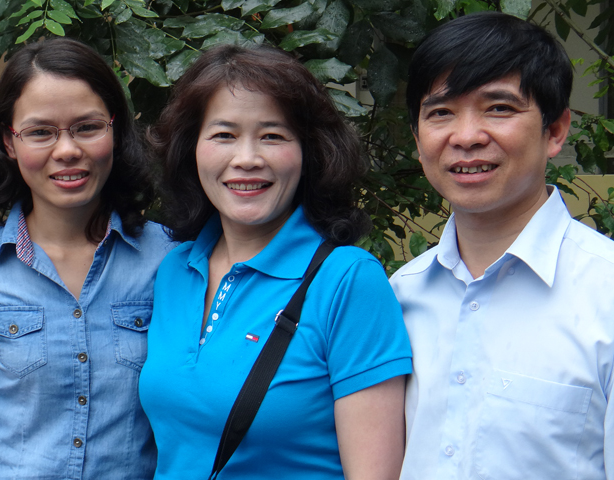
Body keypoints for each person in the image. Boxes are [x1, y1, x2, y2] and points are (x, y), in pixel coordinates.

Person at [139, 44, 412, 479]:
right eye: (223, 135)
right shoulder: (175, 270)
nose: (247, 159)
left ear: (309, 153)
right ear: (191, 150)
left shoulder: (347, 281)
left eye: (272, 135)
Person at [392, 12, 614, 479]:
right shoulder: (399, 296)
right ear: (417, 139)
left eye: (499, 108)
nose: (466, 137)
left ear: (555, 132)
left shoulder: (606, 292)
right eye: (440, 113)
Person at [0, 37, 174, 479]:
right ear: (9, 143)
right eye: (40, 132)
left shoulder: (170, 258)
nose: (67, 150)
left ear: (114, 129)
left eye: (87, 127)